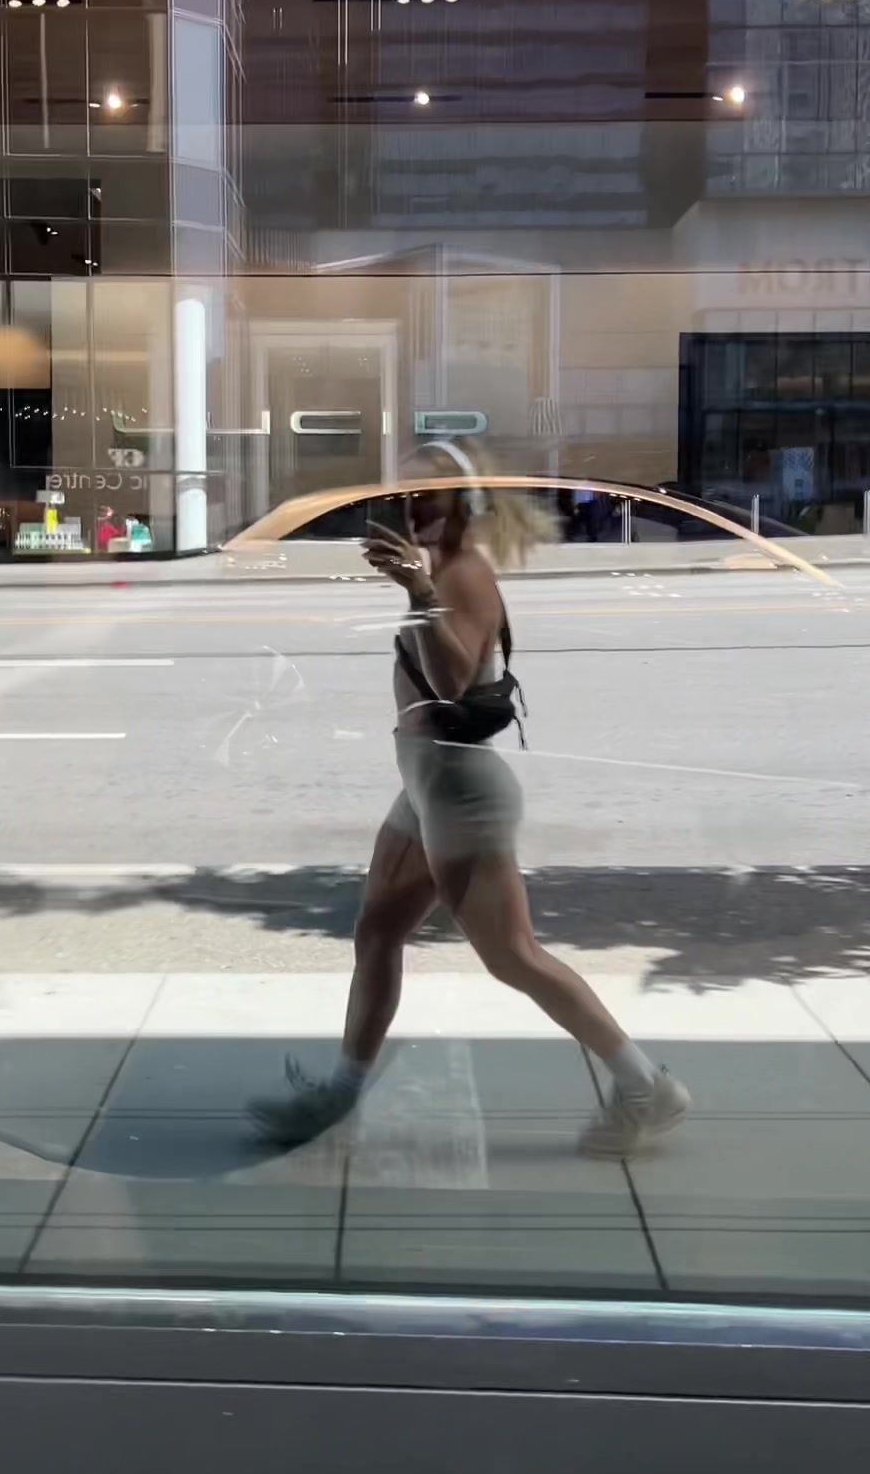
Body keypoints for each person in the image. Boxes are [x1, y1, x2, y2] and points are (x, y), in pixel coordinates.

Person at [250, 439, 689, 1157]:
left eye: (427, 495)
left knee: (513, 956)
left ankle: (646, 1086)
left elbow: (452, 684)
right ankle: (341, 1092)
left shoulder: (464, 576)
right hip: (425, 789)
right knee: (377, 934)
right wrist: (415, 587)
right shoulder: (442, 569)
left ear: (466, 502)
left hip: (461, 795)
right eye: (403, 495)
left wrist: (420, 593)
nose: (411, 506)